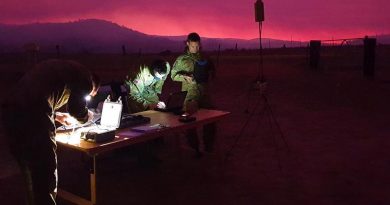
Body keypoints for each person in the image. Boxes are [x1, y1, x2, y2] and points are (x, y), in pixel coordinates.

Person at [1, 59, 100, 205]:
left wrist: (56, 115)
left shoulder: (68, 69)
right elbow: (76, 109)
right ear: (93, 87)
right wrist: (86, 117)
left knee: (30, 171)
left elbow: (41, 93)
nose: (87, 97)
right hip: (33, 116)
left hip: (10, 112)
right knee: (45, 170)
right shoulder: (85, 78)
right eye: (89, 95)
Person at [171, 32, 216, 156]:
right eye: (193, 46)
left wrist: (210, 75)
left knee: (210, 119)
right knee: (190, 122)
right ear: (187, 44)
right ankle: (194, 149)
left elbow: (213, 72)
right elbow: (173, 76)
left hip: (204, 94)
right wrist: (185, 76)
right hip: (190, 95)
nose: (196, 49)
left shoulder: (204, 57)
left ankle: (208, 148)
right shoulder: (181, 60)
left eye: (197, 46)